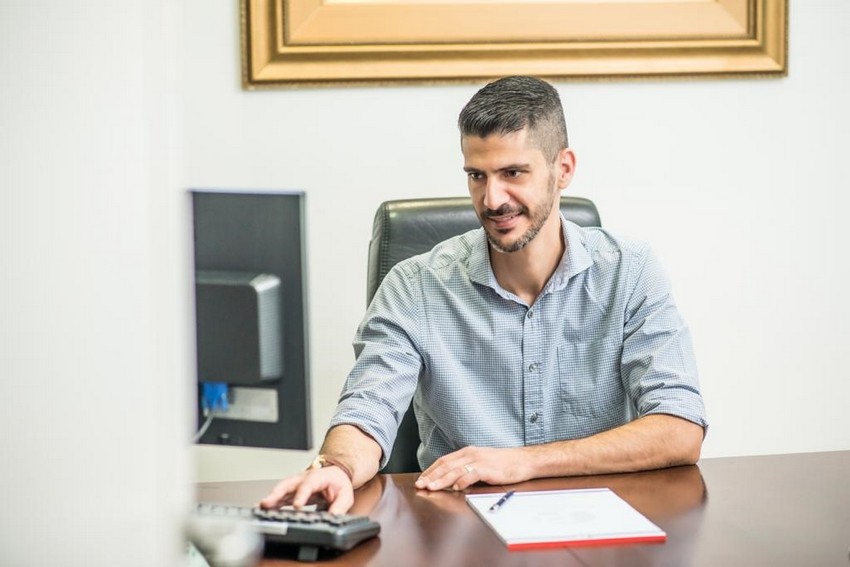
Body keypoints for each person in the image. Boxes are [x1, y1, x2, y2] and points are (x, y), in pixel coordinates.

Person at [261, 75, 707, 514]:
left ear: (563, 169)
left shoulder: (629, 272)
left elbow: (680, 427)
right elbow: (368, 406)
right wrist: (336, 468)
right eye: (477, 175)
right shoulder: (415, 286)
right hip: (462, 524)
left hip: (599, 522)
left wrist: (525, 462)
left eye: (513, 173)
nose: (492, 199)